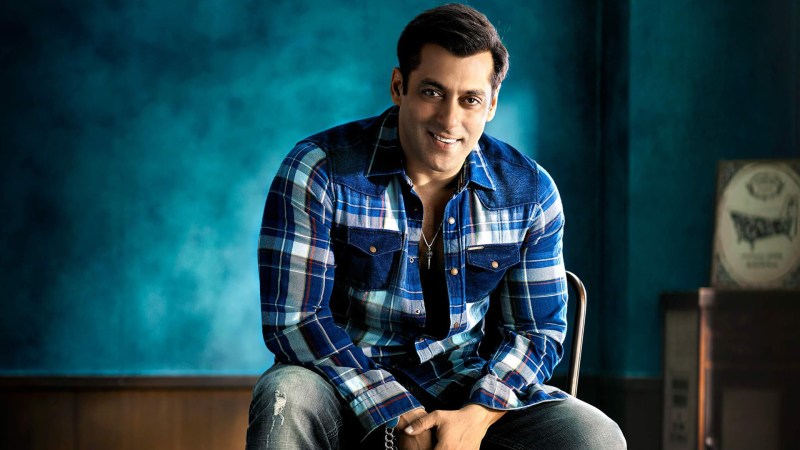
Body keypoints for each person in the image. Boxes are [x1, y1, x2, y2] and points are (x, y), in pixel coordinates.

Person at [247, 4, 626, 449]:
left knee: (595, 436)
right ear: (398, 87)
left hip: (467, 387)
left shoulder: (531, 192)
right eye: (432, 92)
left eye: (470, 100)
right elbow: (296, 321)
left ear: (491, 104)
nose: (449, 120)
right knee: (286, 393)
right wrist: (397, 414)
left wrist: (476, 417)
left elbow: (535, 332)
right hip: (343, 386)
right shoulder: (318, 170)